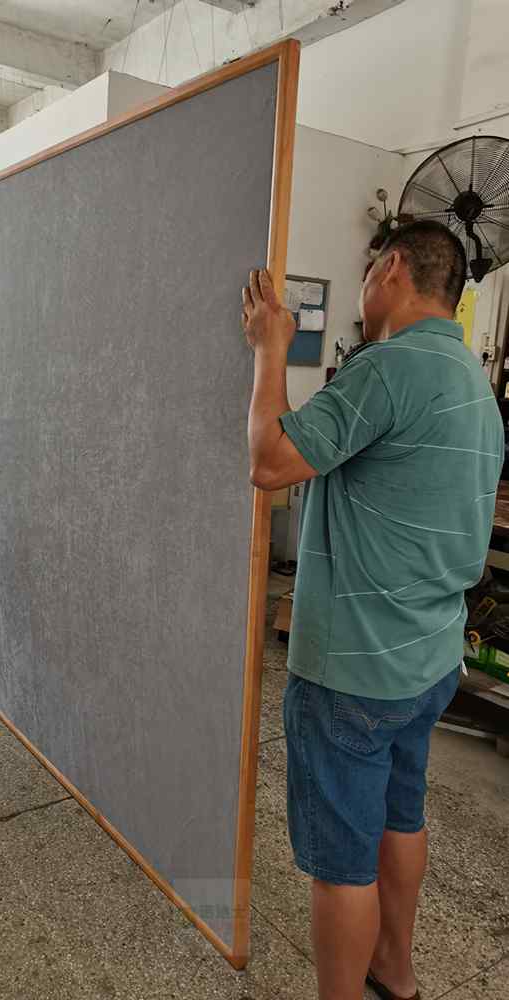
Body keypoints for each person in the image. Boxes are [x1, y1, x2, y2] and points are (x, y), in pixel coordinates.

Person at [240, 220, 503, 1000]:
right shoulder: (472, 383)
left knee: (341, 865)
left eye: (366, 275)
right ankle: (395, 971)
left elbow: (271, 461)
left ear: (391, 269)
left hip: (354, 668)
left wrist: (270, 349)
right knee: (399, 817)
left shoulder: (386, 369)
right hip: (428, 660)